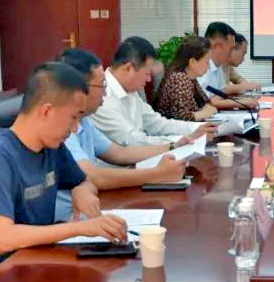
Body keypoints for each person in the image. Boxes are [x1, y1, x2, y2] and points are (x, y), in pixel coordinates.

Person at [0, 62, 128, 282]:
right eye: (73, 118)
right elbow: (2, 238)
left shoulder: (52, 146)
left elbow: (83, 181)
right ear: (46, 111)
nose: (74, 129)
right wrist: (79, 228)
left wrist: (81, 190)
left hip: (36, 268)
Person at [55, 48, 191, 221]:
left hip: (89, 214)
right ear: (79, 88)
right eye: (102, 85)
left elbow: (119, 153)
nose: (105, 92)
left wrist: (172, 146)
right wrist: (158, 174)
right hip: (68, 222)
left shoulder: (84, 121)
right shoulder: (60, 125)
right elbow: (92, 176)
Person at [91, 36, 215, 146]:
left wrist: (200, 128)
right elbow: (132, 141)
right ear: (128, 68)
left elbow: (158, 124)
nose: (149, 79)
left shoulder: (130, 90)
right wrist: (180, 141)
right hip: (122, 163)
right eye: (147, 73)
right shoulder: (103, 96)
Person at [155, 36, 219, 122]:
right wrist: (205, 113)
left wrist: (205, 111)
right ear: (192, 62)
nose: (208, 66)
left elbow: (207, 104)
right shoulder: (179, 78)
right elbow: (182, 117)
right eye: (207, 62)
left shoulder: (190, 77)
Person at [198, 21, 244, 109]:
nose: (232, 54)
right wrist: (241, 103)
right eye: (231, 49)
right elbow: (208, 103)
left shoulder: (218, 66)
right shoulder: (202, 67)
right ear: (216, 47)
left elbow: (221, 94)